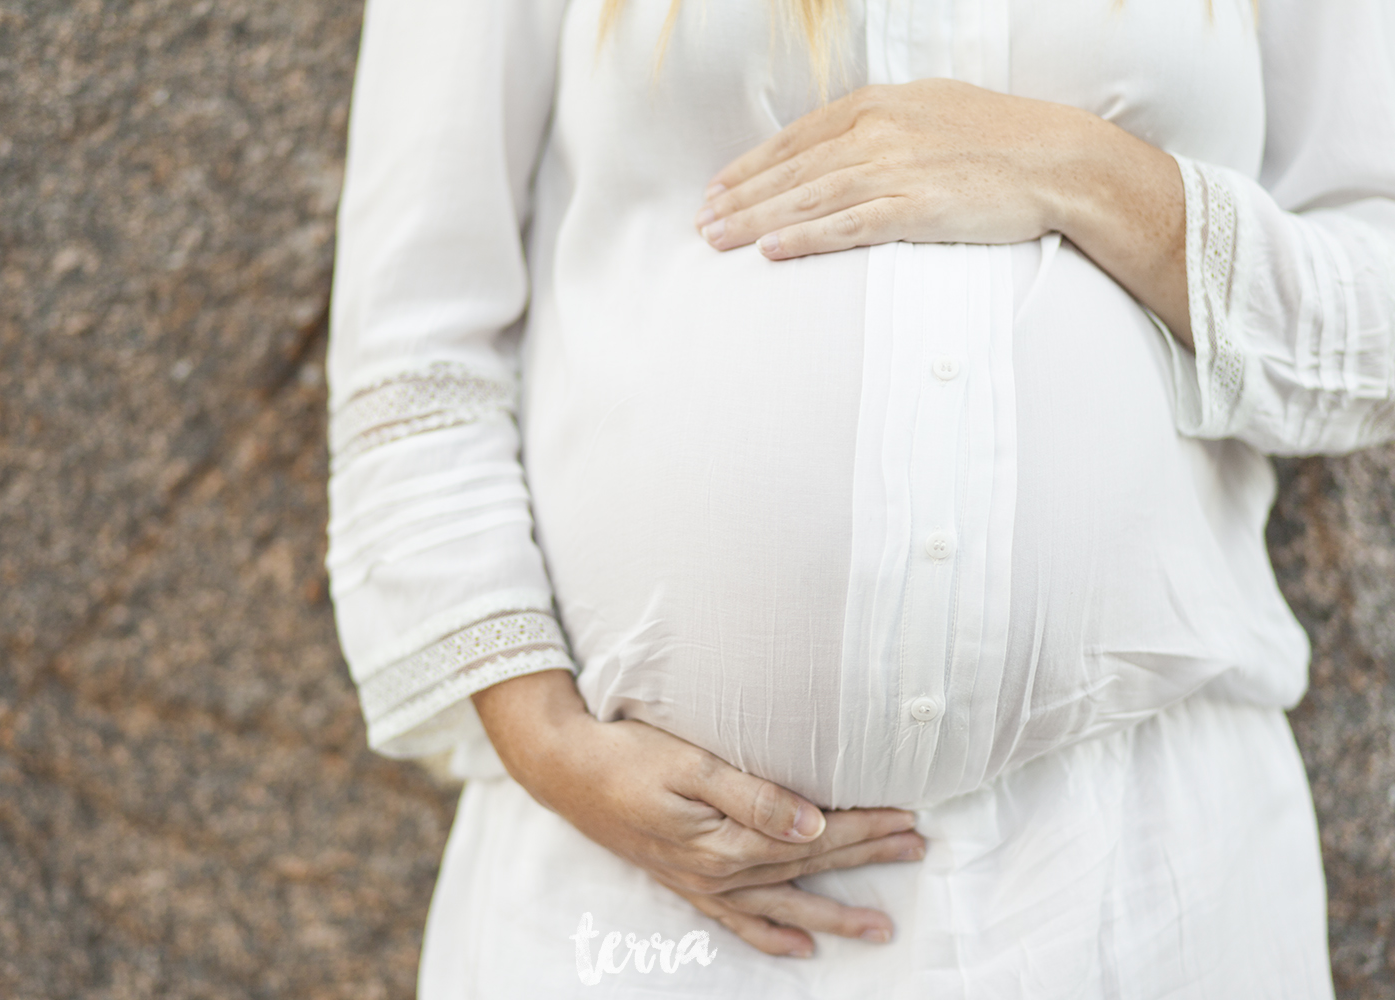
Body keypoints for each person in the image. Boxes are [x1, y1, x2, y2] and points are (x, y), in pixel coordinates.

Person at [324, 0, 1395, 995]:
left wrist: (1085, 169)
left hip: (1138, 877)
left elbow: (1377, 330)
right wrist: (545, 739)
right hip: (631, 898)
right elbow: (416, 337)